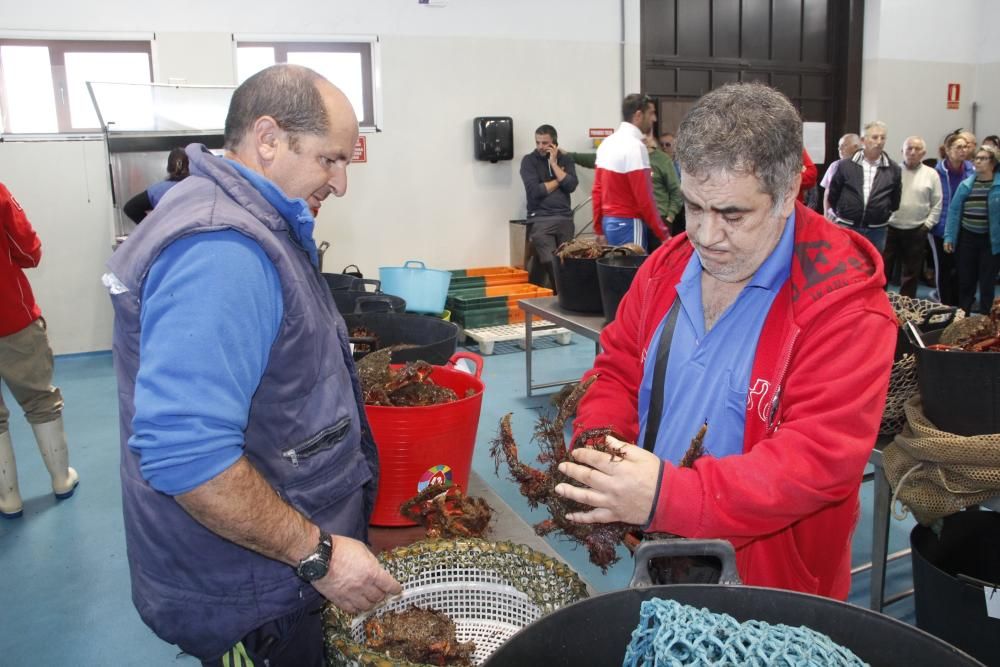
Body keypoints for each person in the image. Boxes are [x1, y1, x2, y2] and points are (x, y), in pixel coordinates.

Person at [103, 64, 401, 666]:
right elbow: (188, 455)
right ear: (268, 139)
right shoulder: (222, 250)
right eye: (331, 160)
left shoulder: (252, 221)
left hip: (267, 570)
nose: (341, 184)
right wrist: (316, 555)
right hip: (256, 594)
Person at [553, 82, 896, 600]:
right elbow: (617, 366)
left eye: (732, 215)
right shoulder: (666, 268)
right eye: (693, 207)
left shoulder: (846, 309)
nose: (706, 236)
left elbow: (818, 459)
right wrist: (601, 446)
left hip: (771, 585)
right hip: (660, 552)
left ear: (785, 198)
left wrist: (669, 496)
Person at [0, 182, 79, 519]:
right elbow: (29, 252)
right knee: (39, 400)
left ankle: (9, 498)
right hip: (10, 316)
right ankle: (61, 479)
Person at [592, 94, 670, 249]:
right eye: (651, 113)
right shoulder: (635, 146)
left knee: (615, 272)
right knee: (633, 272)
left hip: (609, 223)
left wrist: (598, 229)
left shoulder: (607, 143)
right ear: (639, 115)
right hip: (629, 223)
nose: (654, 119)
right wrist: (664, 234)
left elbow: (597, 191)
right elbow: (645, 197)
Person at [827, 121, 902, 252]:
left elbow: (895, 201)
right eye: (874, 137)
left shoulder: (893, 169)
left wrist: (881, 213)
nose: (879, 142)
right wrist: (842, 212)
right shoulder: (845, 165)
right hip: (847, 226)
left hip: (877, 229)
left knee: (873, 267)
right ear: (863, 140)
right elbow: (833, 194)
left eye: (882, 138)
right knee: (845, 266)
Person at [519, 124, 578, 289]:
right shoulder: (529, 161)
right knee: (550, 260)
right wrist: (560, 179)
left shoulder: (565, 159)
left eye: (545, 143)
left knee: (567, 261)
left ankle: (561, 295)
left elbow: (572, 185)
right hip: (541, 218)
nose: (540, 147)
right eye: (538, 142)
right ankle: (563, 295)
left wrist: (554, 164)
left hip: (564, 218)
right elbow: (535, 191)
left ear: (554, 143)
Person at [944, 144, 1000, 315]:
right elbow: (953, 212)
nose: (977, 161)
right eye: (976, 158)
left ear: (993, 163)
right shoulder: (966, 185)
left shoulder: (998, 186)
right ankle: (963, 316)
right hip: (967, 239)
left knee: (987, 282)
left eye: (983, 158)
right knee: (966, 281)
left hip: (990, 241)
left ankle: (986, 319)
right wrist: (949, 237)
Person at [884, 136, 942, 298]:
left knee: (911, 273)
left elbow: (937, 203)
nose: (912, 152)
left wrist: (928, 225)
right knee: (883, 269)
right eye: (909, 148)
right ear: (902, 151)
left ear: (923, 153)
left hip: (917, 229)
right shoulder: (892, 170)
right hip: (890, 228)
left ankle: (907, 307)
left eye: (917, 149)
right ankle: (879, 303)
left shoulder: (931, 174)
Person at [930, 131, 974, 305]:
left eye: (965, 147)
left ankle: (960, 308)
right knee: (944, 268)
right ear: (948, 150)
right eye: (958, 147)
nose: (963, 150)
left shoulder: (972, 170)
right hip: (940, 228)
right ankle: (945, 306)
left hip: (965, 228)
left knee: (962, 269)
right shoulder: (936, 172)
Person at [122, 147, 191, 223]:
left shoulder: (159, 190)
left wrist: (150, 226)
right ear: (191, 166)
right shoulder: (199, 186)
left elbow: (130, 208)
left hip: (167, 233)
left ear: (169, 167)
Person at [643, 129, 683, 251]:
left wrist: (670, 216)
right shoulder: (633, 156)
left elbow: (677, 191)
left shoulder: (664, 161)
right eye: (663, 144)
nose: (665, 147)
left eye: (668, 144)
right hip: (640, 219)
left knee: (660, 257)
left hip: (662, 217)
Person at [821, 133, 863, 218]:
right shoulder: (835, 166)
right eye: (839, 146)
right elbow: (827, 193)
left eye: (844, 146)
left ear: (856, 147)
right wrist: (826, 216)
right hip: (838, 218)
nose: (840, 149)